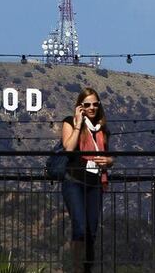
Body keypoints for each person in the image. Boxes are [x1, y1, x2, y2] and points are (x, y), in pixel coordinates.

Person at [60, 87, 114, 273]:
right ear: (80, 106)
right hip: (74, 181)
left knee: (91, 231)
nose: (92, 108)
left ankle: (87, 269)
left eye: (95, 104)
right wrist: (78, 123)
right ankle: (77, 269)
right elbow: (68, 149)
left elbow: (109, 156)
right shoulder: (69, 122)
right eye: (87, 104)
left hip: (95, 183)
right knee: (80, 228)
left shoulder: (103, 129)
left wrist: (109, 161)